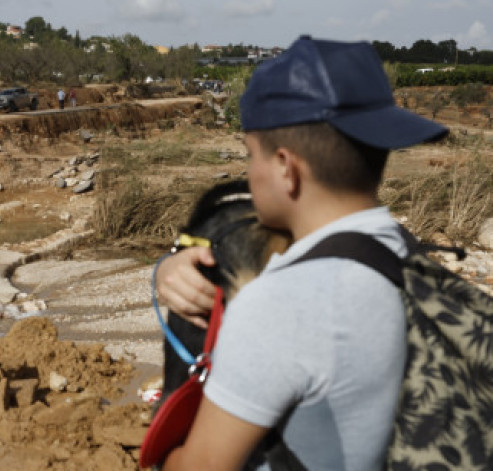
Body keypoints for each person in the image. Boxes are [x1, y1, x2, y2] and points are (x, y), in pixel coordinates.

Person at [156, 36, 447, 470]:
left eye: (251, 155)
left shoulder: (284, 305)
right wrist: (168, 267)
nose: (249, 172)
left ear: (285, 168)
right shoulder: (410, 259)